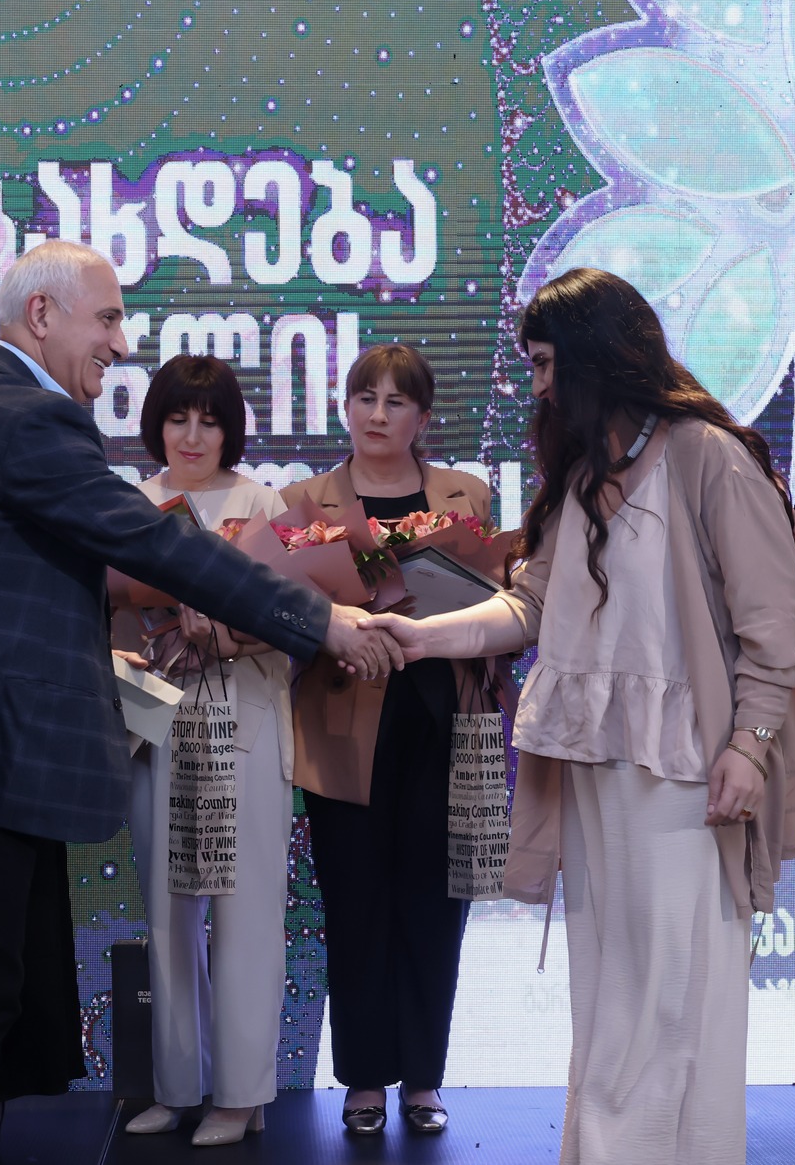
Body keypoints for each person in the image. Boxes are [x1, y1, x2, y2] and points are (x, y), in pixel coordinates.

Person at [0, 239, 399, 1164]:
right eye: (105, 318)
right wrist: (322, 621)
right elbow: (158, 544)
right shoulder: (26, 416)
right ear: (41, 315)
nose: (119, 342)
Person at [374, 268, 795, 1164]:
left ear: (593, 357)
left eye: (545, 364)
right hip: (592, 767)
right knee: (613, 996)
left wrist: (750, 745)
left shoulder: (709, 457)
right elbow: (530, 606)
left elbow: (775, 631)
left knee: (669, 1000)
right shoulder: (579, 473)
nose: (538, 386)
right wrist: (418, 637)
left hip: (687, 775)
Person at [279, 342, 498, 1135]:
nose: (377, 414)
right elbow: (279, 609)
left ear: (423, 417)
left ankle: (425, 1079)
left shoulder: (466, 495)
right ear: (345, 407)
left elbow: (502, 601)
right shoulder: (304, 501)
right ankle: (365, 1077)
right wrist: (330, 623)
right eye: (364, 398)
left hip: (444, 716)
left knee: (436, 902)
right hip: (345, 720)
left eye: (395, 401)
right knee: (356, 900)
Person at [115, 356, 295, 1146]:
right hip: (155, 721)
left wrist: (229, 632)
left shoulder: (263, 503)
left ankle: (242, 1092)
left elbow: (298, 620)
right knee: (169, 910)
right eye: (178, 417)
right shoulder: (130, 504)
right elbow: (109, 610)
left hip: (244, 717)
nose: (192, 435)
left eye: (210, 420)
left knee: (246, 907)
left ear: (231, 429)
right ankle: (176, 1084)